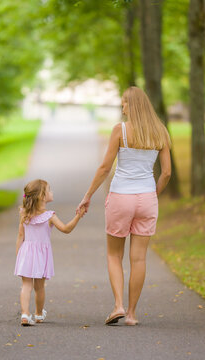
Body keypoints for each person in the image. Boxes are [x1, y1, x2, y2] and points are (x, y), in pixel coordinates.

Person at [77, 86, 172, 326]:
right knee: (138, 259)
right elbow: (167, 173)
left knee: (113, 254)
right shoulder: (160, 131)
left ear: (133, 105)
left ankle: (118, 305)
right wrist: (154, 194)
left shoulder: (120, 130)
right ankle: (131, 314)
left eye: (124, 104)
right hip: (147, 199)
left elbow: (105, 168)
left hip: (121, 197)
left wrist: (87, 195)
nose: (122, 108)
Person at [15, 179, 83, 326]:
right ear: (42, 196)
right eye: (49, 190)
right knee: (39, 287)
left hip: (25, 253)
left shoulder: (24, 214)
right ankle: (38, 314)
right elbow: (66, 229)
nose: (52, 192)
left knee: (26, 286)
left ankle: (25, 314)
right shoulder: (50, 216)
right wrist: (78, 216)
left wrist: (18, 256)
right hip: (40, 257)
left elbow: (21, 236)